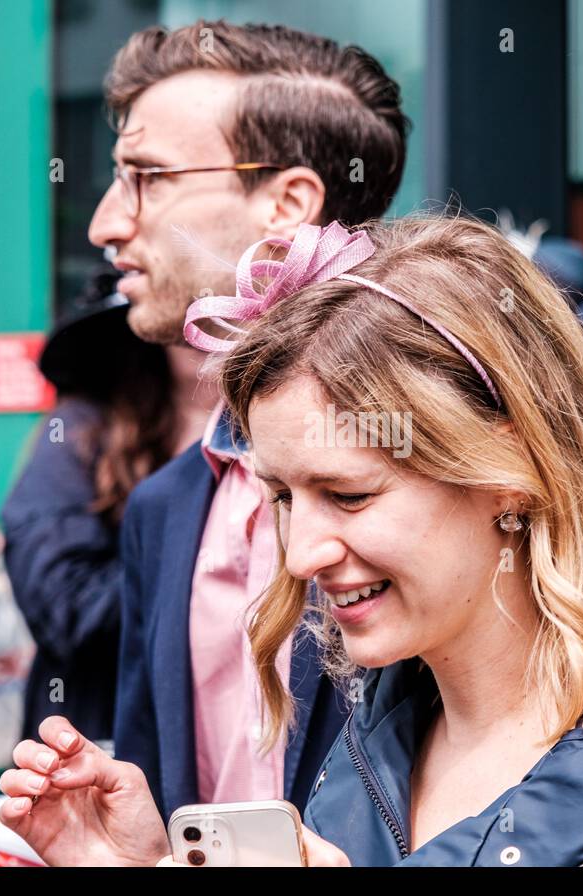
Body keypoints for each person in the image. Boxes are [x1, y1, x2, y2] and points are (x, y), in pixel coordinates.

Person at [0, 216, 583, 867]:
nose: (301, 556)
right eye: (285, 498)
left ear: (511, 470)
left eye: (350, 494)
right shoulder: (385, 706)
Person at [91, 20, 410, 818]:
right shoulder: (163, 510)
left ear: (288, 204)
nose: (105, 224)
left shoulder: (453, 478)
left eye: (147, 176)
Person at [4, 269, 177, 742]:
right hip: (95, 729)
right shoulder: (76, 435)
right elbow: (65, 608)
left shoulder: (221, 435)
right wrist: (194, 554)